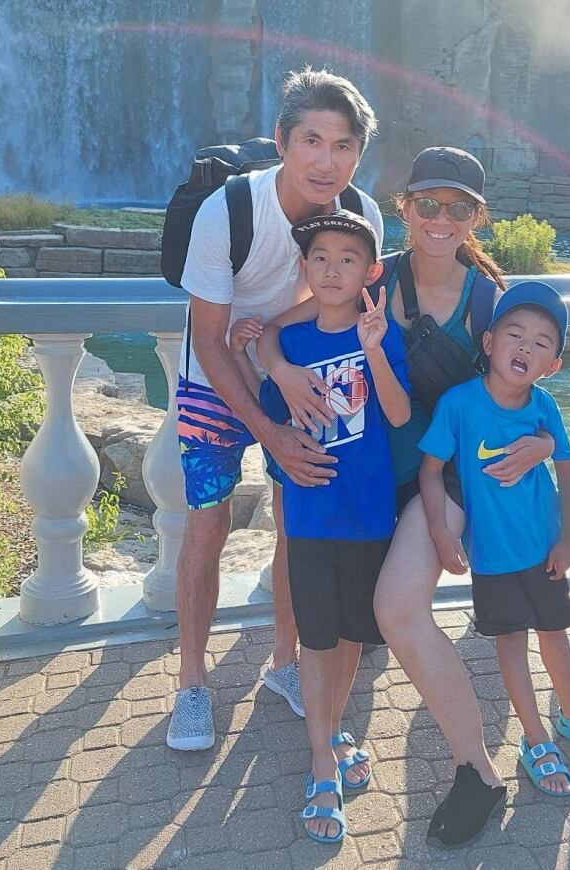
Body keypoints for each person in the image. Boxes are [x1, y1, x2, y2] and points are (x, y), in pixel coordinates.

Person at [257, 146, 557, 848]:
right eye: (428, 204)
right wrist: (277, 371)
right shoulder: (371, 278)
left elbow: (529, 376)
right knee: (349, 621)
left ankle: (475, 771)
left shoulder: (488, 298)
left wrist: (543, 443)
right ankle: (329, 750)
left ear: (477, 217)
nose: (440, 218)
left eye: (458, 207)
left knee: (395, 611)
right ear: (406, 209)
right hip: (370, 480)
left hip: (444, 476)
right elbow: (279, 331)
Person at [166, 68, 383, 751]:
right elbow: (208, 335)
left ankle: (284, 665)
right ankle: (192, 683)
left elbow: (343, 306)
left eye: (343, 145)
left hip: (303, 378)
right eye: (312, 140)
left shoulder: (362, 216)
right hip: (214, 379)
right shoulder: (227, 211)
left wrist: (278, 352)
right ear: (283, 141)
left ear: (358, 154)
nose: (327, 160)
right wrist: (266, 422)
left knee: (300, 522)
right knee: (208, 525)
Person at [419, 280, 570, 802]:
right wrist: (442, 535)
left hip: (544, 550)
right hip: (491, 558)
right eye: (515, 334)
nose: (525, 348)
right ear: (488, 343)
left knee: (555, 632)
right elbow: (430, 471)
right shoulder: (458, 405)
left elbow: (569, 471)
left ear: (553, 364)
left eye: (541, 343)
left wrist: (567, 538)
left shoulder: (545, 407)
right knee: (510, 644)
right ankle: (534, 739)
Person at [240, 211, 410, 843]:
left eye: (348, 258)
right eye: (321, 257)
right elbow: (272, 421)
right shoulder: (294, 342)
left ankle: (335, 729)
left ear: (370, 272)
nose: (333, 267)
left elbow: (395, 411)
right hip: (311, 517)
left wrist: (373, 347)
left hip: (368, 517)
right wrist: (260, 352)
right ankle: (319, 760)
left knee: (351, 638)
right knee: (316, 638)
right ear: (304, 270)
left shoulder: (380, 334)